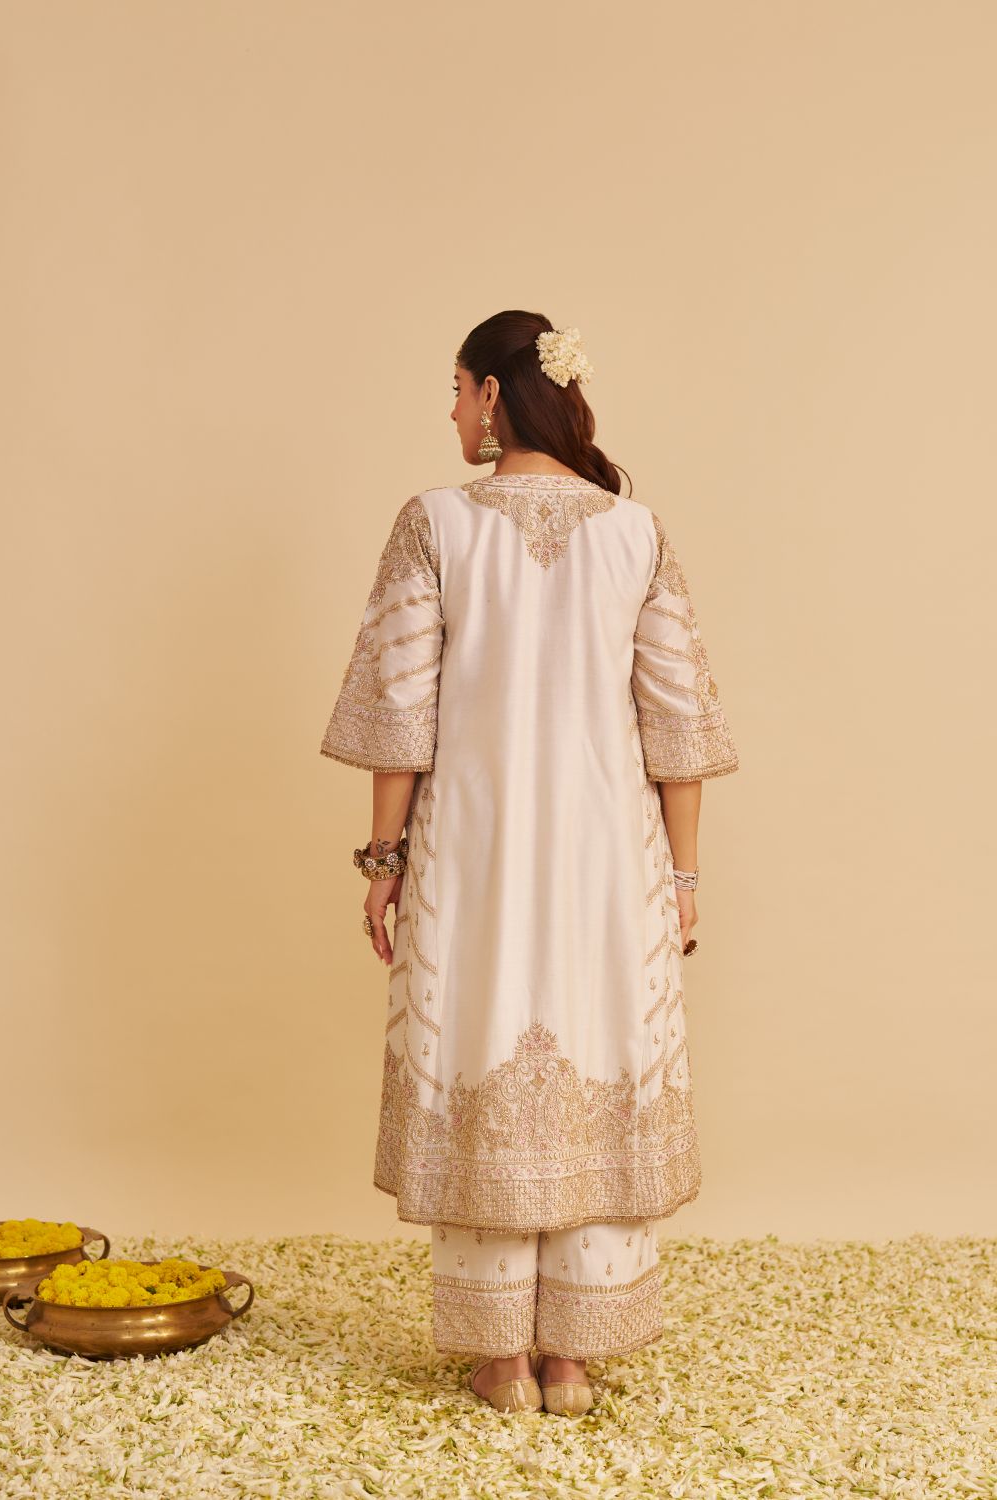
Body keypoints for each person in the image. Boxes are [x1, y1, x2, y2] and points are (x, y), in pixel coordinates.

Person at [319, 310, 740, 1416]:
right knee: (598, 1054)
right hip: (610, 858)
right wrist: (683, 880)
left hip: (475, 851)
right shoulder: (635, 531)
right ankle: (571, 1362)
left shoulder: (434, 523)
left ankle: (500, 1357)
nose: (453, 411)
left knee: (481, 1050)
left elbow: (400, 714)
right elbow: (679, 725)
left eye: (458, 389)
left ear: (495, 395)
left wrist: (382, 860)